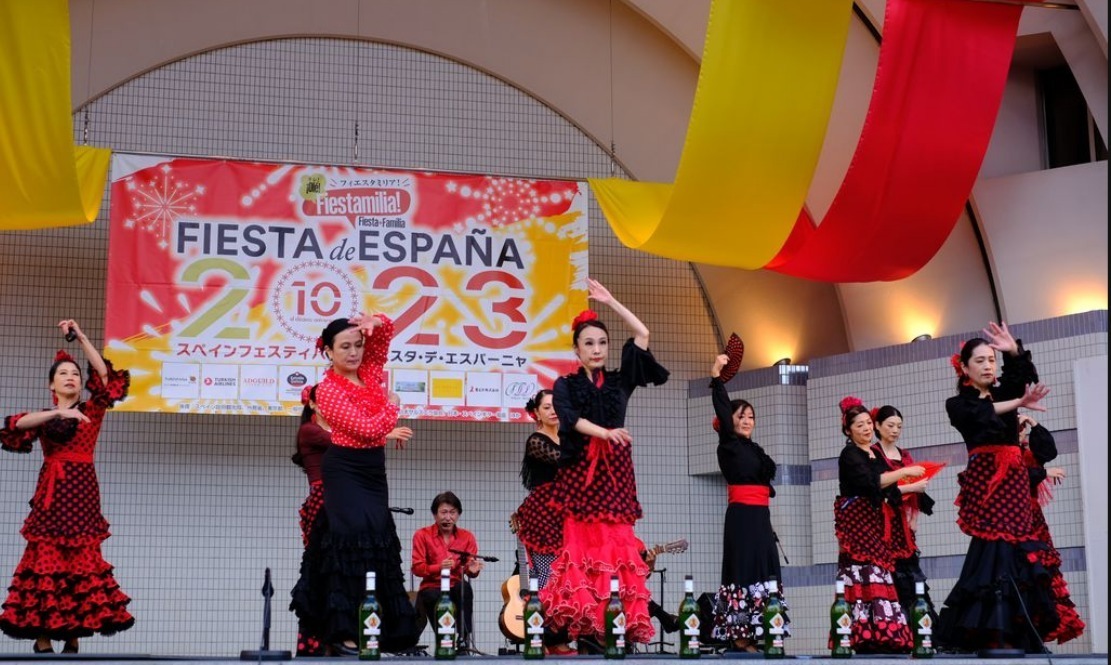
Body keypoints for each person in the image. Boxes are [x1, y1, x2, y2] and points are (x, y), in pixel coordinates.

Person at [540, 277, 669, 649]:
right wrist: (605, 433)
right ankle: (587, 628)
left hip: (615, 477)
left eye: (602, 343)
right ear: (576, 350)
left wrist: (611, 301)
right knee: (582, 551)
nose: (596, 349)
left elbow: (642, 333)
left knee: (617, 549)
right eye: (589, 343)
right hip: (581, 476)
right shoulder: (565, 385)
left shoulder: (619, 381)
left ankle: (617, 629)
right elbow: (569, 419)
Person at [0, 319, 134, 654]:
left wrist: (82, 338)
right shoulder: (44, 417)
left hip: (83, 494)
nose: (71, 377)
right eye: (63, 374)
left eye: (74, 373)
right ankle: (43, 637)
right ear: (52, 385)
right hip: (51, 498)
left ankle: (73, 634)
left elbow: (106, 378)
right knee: (45, 559)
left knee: (80, 562)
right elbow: (16, 424)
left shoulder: (92, 409)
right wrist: (56, 415)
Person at [290, 313, 418, 656]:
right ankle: (342, 633)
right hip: (344, 470)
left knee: (378, 541)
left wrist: (374, 322)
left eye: (357, 345)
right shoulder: (329, 390)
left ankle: (375, 632)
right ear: (328, 352)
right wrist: (392, 407)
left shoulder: (370, 373)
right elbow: (367, 430)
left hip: (373, 471)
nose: (353, 352)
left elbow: (385, 337)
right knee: (350, 542)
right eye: (344, 347)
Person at [934, 323, 1060, 653]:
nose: (989, 365)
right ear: (964, 368)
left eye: (992, 359)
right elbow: (983, 413)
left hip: (1015, 484)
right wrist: (1019, 400)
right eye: (981, 360)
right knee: (992, 553)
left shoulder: (1004, 392)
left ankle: (1019, 634)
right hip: (987, 484)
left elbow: (1022, 380)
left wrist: (1013, 351)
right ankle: (983, 633)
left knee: (1018, 554)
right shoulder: (957, 404)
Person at [706, 353, 786, 653]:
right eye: (741, 416)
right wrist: (716, 378)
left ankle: (761, 629)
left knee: (764, 570)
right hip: (741, 517)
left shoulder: (754, 448)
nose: (747, 420)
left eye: (751, 416)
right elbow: (724, 411)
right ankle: (740, 635)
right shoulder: (728, 444)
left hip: (761, 517)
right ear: (729, 421)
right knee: (742, 569)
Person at [834, 396, 921, 654]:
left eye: (868, 423)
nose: (866, 428)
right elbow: (871, 483)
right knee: (863, 571)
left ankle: (882, 634)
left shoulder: (873, 453)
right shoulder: (850, 454)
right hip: (857, 523)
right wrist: (905, 473)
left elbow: (888, 488)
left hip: (875, 522)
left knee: (880, 570)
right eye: (859, 425)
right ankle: (862, 635)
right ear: (848, 430)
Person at [512, 389, 574, 655]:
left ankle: (559, 638)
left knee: (566, 577)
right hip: (544, 515)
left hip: (566, 514)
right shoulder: (536, 441)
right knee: (546, 577)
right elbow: (565, 463)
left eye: (556, 406)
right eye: (547, 407)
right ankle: (541, 637)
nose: (553, 411)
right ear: (536, 413)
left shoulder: (568, 438)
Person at [1016, 414, 1084, 645]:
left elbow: (1048, 451)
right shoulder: (1002, 454)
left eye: (1021, 426)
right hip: (1011, 521)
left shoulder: (1028, 451)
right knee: (1020, 573)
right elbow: (1013, 478)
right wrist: (1045, 473)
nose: (1020, 430)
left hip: (1033, 521)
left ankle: (1038, 631)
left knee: (1042, 573)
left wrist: (1033, 423)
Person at [870, 405, 937, 624]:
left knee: (911, 577)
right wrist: (911, 488)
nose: (895, 430)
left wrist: (914, 519)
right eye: (890, 425)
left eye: (899, 426)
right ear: (878, 426)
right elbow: (879, 488)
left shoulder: (905, 455)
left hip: (904, 525)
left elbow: (916, 491)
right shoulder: (873, 454)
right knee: (887, 575)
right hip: (882, 522)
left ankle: (920, 630)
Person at [411, 491, 484, 650]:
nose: (448, 517)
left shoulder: (467, 537)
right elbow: (417, 568)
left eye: (452, 512)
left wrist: (473, 570)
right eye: (443, 512)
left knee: (465, 588)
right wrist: (439, 567)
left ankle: (464, 639)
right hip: (432, 585)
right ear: (435, 515)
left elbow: (470, 568)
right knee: (432, 595)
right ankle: (445, 638)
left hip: (455, 583)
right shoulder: (422, 535)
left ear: (458, 514)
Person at [290, 384, 331, 657]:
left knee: (338, 572)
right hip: (324, 502)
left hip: (339, 500)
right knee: (322, 571)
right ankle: (316, 644)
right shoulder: (310, 430)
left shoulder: (329, 429)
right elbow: (347, 441)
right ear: (314, 404)